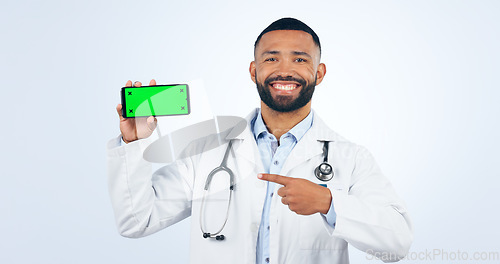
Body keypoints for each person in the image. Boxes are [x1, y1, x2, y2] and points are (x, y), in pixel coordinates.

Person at [107, 18, 413, 264]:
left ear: (318, 73)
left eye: (299, 59)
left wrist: (329, 203)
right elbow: (137, 221)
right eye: (271, 58)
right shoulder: (206, 150)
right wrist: (133, 144)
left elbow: (396, 244)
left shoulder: (351, 158)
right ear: (254, 71)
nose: (284, 70)